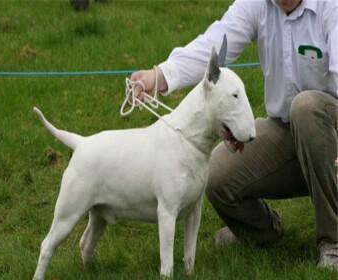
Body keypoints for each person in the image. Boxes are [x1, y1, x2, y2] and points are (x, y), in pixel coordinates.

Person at [131, 0, 338, 270]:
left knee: (306, 107)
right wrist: (158, 76)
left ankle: (333, 243)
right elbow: (213, 46)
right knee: (215, 174)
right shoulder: (256, 4)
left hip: (331, 128)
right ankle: (262, 231)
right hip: (285, 129)